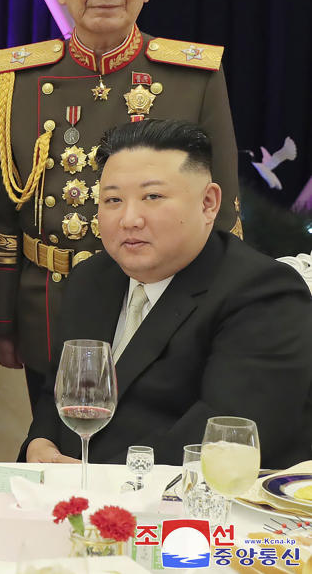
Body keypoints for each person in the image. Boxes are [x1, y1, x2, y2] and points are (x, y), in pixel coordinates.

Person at [0, 0, 241, 406]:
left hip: (165, 310)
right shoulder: (18, 83)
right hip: (52, 307)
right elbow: (1, 214)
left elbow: (223, 214)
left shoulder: (193, 77)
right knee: (58, 455)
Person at [24, 119, 312, 468]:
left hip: (189, 510)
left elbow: (226, 436)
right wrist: (39, 441)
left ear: (208, 204)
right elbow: (59, 391)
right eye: (112, 199)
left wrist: (99, 481)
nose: (129, 219)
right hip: (70, 499)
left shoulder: (263, 293)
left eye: (153, 197)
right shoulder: (91, 278)